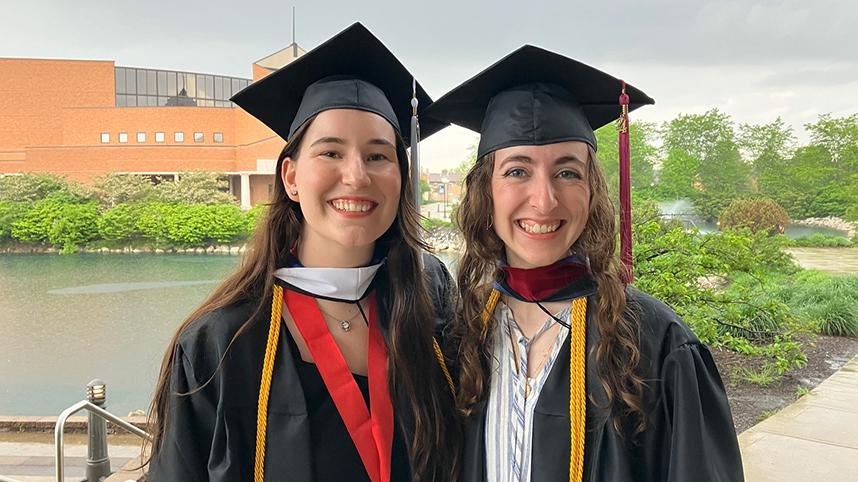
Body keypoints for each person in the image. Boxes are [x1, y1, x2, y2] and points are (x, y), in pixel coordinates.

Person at [146, 23, 461, 482]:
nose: (356, 176)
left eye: (378, 156)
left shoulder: (431, 298)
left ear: (400, 176)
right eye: (330, 153)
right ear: (291, 178)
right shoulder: (222, 343)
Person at [424, 46, 744, 481]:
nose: (544, 199)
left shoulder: (653, 343)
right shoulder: (461, 337)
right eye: (517, 171)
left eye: (568, 172)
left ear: (591, 191)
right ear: (487, 192)